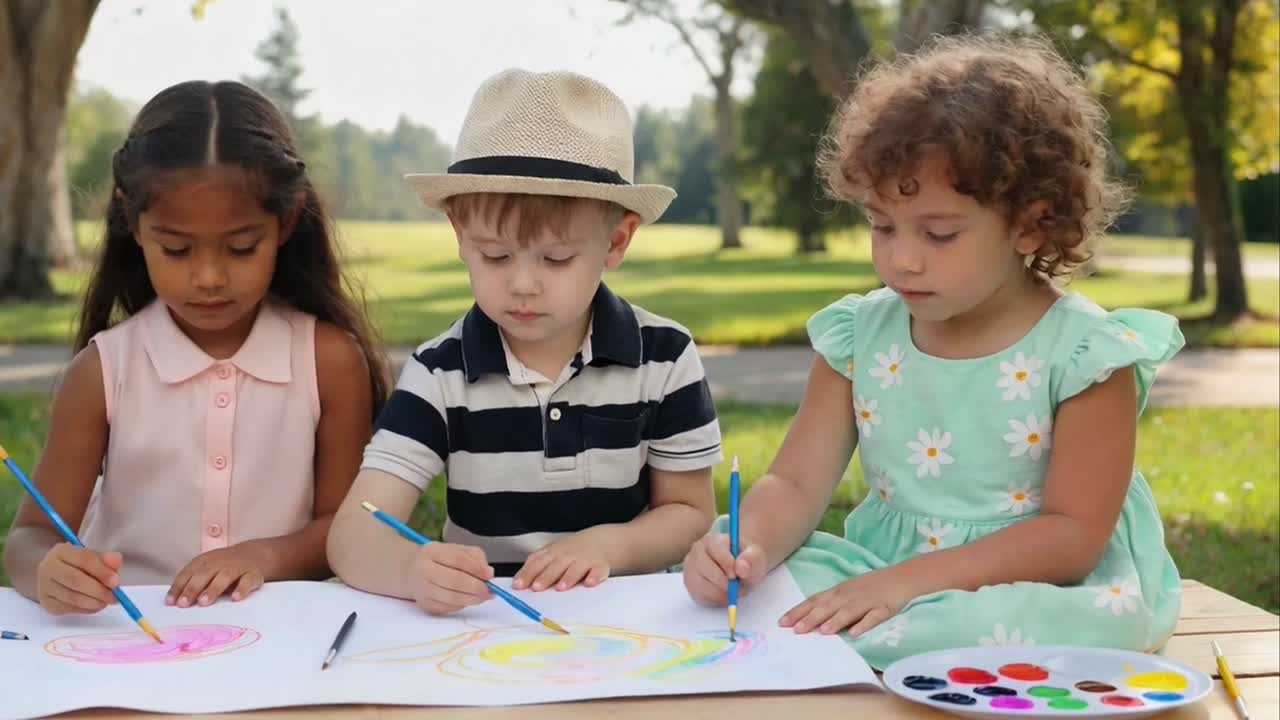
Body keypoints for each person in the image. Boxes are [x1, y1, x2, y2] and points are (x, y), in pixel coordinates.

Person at [681, 34, 1185, 668]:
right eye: (882, 226)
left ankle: (887, 637)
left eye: (939, 233)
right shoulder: (860, 335)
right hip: (884, 567)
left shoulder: (1088, 354)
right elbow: (794, 482)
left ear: (1031, 224)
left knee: (1054, 626)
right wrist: (744, 546)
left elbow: (1073, 537)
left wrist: (905, 586)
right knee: (778, 586)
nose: (901, 257)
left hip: (1035, 583)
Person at [327, 68, 723, 615]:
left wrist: (611, 545)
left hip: (627, 625)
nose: (523, 284)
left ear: (616, 241)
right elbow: (353, 535)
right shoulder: (439, 373)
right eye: (495, 255)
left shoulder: (665, 357)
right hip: (485, 630)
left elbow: (689, 512)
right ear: (459, 238)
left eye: (557, 258)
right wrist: (409, 570)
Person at [3, 80, 390, 615]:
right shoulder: (103, 372)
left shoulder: (328, 362)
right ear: (132, 223)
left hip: (280, 635)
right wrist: (49, 569)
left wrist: (264, 557)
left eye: (241, 247)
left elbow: (346, 527)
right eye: (177, 249)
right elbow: (29, 535)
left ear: (287, 221)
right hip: (128, 639)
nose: (209, 277)